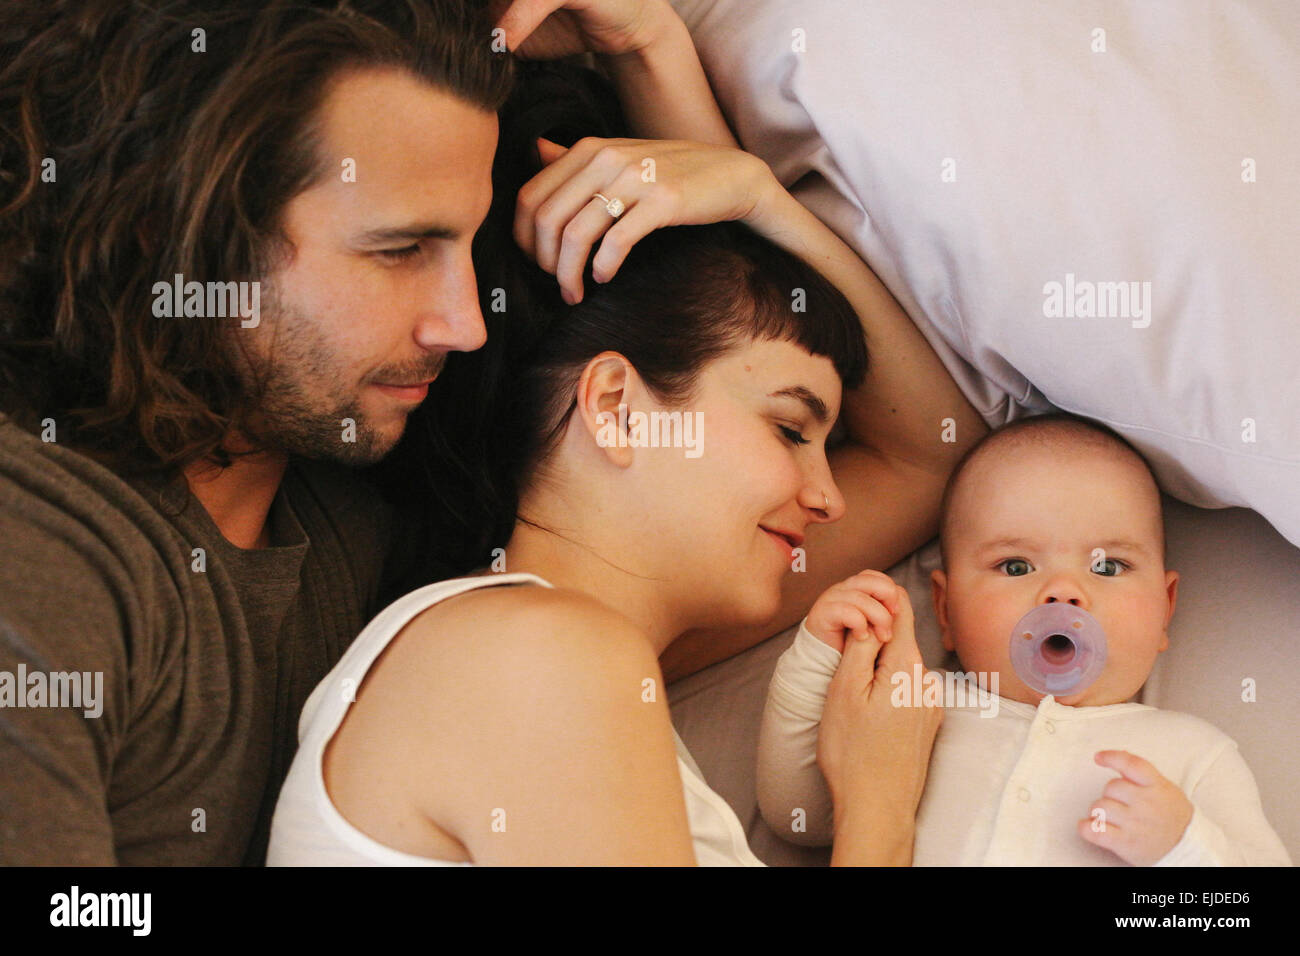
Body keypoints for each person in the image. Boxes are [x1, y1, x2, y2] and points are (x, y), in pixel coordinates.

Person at [0, 0, 775, 865]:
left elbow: (907, 457)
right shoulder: (41, 552)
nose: (461, 323)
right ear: (179, 237)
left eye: (468, 248)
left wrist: (655, 59)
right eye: (400, 251)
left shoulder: (365, 512)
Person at [268, 60, 985, 865]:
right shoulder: (535, 658)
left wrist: (755, 192)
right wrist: (878, 812)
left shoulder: (559, 656)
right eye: (789, 429)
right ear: (612, 406)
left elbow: (938, 451)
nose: (830, 498)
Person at [758, 414, 1291, 865]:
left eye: (1109, 565)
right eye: (1015, 565)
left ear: (1165, 611)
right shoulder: (917, 706)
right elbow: (796, 814)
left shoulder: (1193, 753)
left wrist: (1184, 845)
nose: (1063, 592)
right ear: (945, 610)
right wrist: (817, 656)